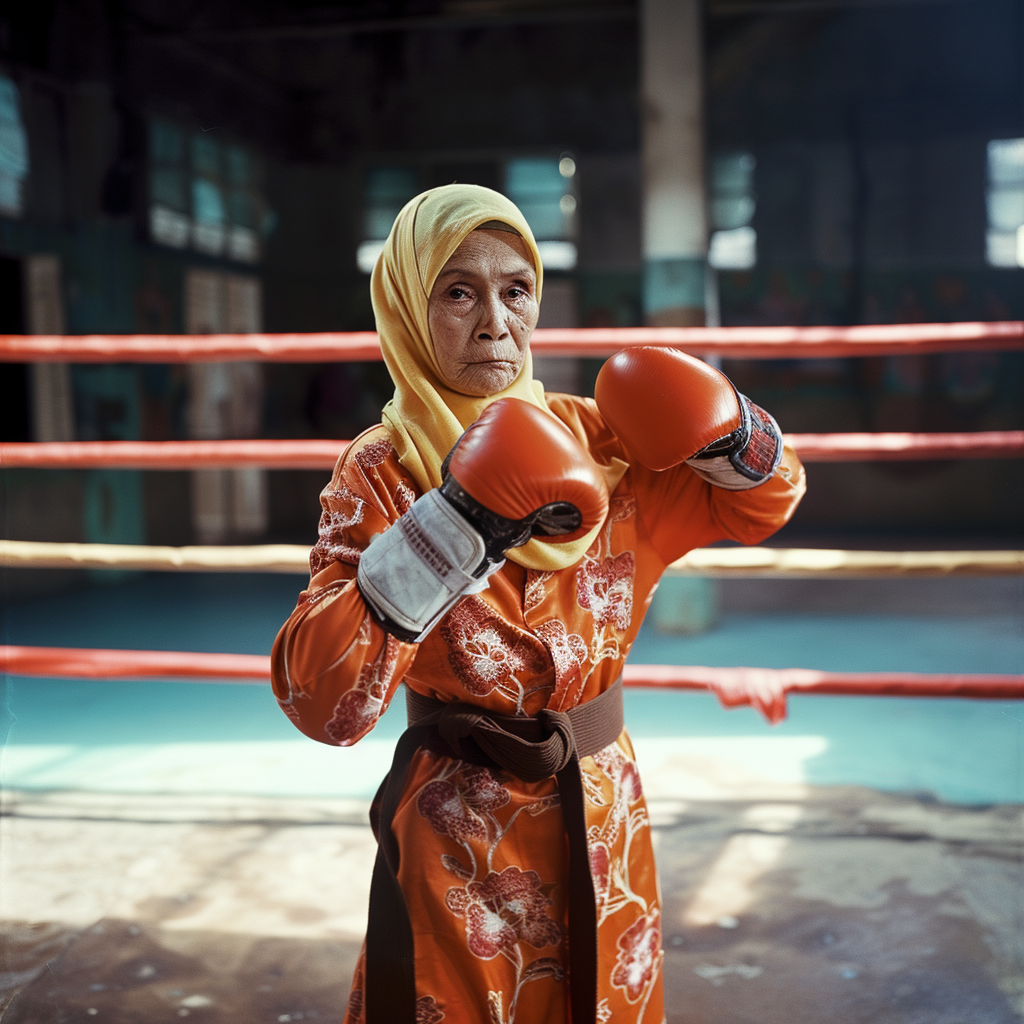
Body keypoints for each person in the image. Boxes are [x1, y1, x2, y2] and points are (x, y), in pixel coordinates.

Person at [270, 184, 806, 1024]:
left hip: (603, 815)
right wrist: (453, 523)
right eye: (458, 291)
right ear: (410, 307)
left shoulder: (599, 438)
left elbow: (763, 502)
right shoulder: (379, 471)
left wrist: (735, 427)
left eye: (516, 289)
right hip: (458, 830)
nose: (495, 321)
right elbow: (323, 702)